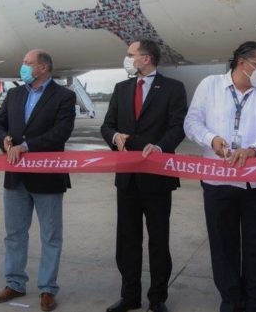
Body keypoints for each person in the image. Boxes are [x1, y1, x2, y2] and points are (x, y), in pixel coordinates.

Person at [184, 41, 256, 312]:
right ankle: (230, 301)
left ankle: (255, 303)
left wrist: (254, 149)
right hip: (217, 181)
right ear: (242, 63)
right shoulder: (210, 85)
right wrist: (211, 139)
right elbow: (192, 122)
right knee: (223, 245)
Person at [101, 38, 187, 312]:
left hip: (157, 175)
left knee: (158, 240)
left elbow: (178, 126)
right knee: (127, 240)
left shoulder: (173, 88)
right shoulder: (121, 88)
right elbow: (107, 125)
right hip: (127, 176)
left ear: (146, 58)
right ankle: (129, 296)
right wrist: (115, 137)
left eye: (131, 54)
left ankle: (157, 298)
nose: (127, 59)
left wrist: (161, 147)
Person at [0, 49, 76, 312]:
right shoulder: (15, 94)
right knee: (14, 234)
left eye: (27, 64)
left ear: (43, 68)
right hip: (15, 177)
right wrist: (3, 139)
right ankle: (14, 282)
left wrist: (26, 146)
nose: (23, 67)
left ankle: (48, 288)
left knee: (51, 236)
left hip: (47, 177)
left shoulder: (64, 96)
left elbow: (61, 132)